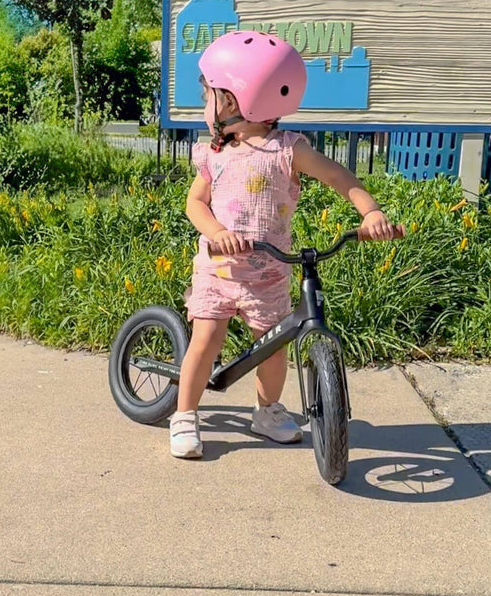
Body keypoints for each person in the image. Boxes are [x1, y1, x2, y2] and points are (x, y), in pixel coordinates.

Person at [170, 30, 399, 459]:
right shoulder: (216, 154)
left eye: (209, 96)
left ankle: (267, 411)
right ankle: (184, 413)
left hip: (269, 274)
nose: (205, 106)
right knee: (207, 338)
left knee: (272, 350)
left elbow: (338, 177)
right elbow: (195, 203)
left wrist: (370, 212)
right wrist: (217, 232)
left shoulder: (288, 150)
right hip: (219, 271)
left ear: (232, 101)